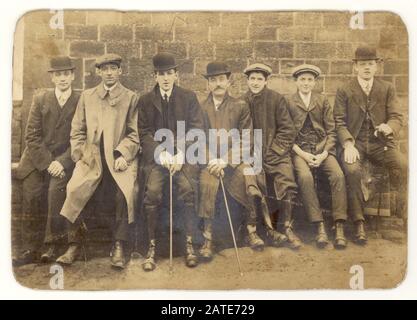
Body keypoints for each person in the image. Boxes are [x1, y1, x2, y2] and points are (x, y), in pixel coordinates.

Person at [57, 53, 139, 269]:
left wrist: (123, 154)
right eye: (105, 69)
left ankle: (119, 244)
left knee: (124, 192)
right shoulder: (88, 96)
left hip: (117, 161)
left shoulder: (130, 97)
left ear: (120, 71)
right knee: (74, 188)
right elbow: (77, 130)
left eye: (113, 68)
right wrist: (81, 154)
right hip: (91, 158)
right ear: (99, 72)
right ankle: (74, 243)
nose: (109, 73)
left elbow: (134, 134)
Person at [137, 52, 205, 271]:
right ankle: (152, 246)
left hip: (183, 158)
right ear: (155, 76)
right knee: (153, 192)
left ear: (176, 75)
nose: (165, 78)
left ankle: (189, 244)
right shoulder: (146, 101)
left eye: (169, 73)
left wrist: (180, 154)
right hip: (158, 159)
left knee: (187, 188)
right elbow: (144, 132)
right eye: (161, 74)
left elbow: (196, 129)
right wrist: (161, 154)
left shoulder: (188, 97)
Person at [334, 45, 407, 244]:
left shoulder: (386, 88)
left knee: (404, 166)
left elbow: (397, 117)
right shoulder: (344, 89)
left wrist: (389, 127)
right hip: (355, 143)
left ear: (376, 67)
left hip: (380, 144)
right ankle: (359, 223)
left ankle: (407, 218)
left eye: (371, 64)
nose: (367, 68)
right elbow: (339, 121)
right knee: (351, 170)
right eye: (363, 64)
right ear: (355, 67)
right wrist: (348, 144)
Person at [13, 56, 80, 266]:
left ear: (73, 76)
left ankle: (51, 244)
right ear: (52, 78)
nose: (62, 79)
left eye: (66, 74)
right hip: (36, 159)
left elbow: (82, 136)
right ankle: (28, 248)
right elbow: (32, 135)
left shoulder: (80, 101)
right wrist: (48, 163)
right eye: (58, 75)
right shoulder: (41, 99)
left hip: (63, 160)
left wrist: (62, 162)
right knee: (31, 193)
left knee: (55, 192)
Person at [198, 61, 265, 261]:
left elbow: (247, 139)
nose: (217, 84)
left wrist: (226, 161)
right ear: (208, 84)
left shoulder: (240, 106)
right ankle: (207, 238)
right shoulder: (200, 108)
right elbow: (197, 139)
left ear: (228, 82)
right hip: (210, 163)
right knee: (207, 183)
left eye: (221, 79)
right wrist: (213, 161)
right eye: (213, 80)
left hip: (234, 161)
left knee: (248, 175)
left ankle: (251, 230)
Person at [287, 64, 348, 249]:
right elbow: (286, 134)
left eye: (310, 80)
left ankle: (339, 226)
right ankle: (319, 226)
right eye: (302, 79)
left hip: (322, 150)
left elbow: (332, 132)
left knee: (337, 174)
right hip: (299, 151)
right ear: (296, 82)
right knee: (304, 177)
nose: (306, 83)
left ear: (314, 82)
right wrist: (303, 154)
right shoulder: (288, 102)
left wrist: (323, 154)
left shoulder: (322, 101)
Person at [242, 63, 302, 250]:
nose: (256, 82)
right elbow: (239, 133)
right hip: (252, 156)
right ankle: (257, 232)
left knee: (288, 181)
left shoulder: (276, 100)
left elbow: (287, 130)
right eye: (252, 78)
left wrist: (274, 151)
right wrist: (251, 154)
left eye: (260, 79)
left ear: (266, 81)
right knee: (253, 184)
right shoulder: (241, 102)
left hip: (276, 154)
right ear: (247, 81)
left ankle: (288, 228)